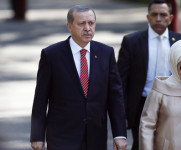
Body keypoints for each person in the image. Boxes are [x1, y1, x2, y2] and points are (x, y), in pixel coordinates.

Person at [30, 5, 127, 150]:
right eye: (82, 23)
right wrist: (37, 136)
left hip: (96, 137)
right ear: (69, 26)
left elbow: (115, 97)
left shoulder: (106, 53)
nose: (88, 28)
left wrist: (119, 134)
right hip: (62, 137)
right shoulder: (51, 55)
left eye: (91, 23)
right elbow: (40, 99)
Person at [117, 0, 181, 149]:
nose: (158, 18)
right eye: (154, 14)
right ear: (148, 17)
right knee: (143, 144)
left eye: (163, 15)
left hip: (172, 104)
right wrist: (121, 113)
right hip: (142, 104)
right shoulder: (131, 42)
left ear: (171, 18)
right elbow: (120, 81)